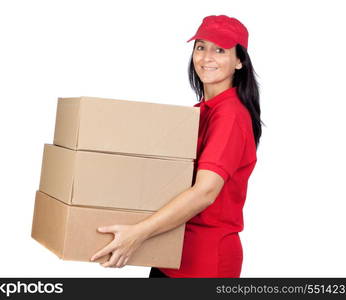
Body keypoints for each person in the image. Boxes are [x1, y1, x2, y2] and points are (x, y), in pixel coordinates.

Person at [90, 14, 263, 278]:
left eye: (220, 49)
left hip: (204, 263)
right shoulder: (201, 112)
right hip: (170, 251)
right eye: (201, 47)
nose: (206, 58)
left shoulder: (231, 115)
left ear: (239, 61)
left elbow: (205, 191)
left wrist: (138, 233)